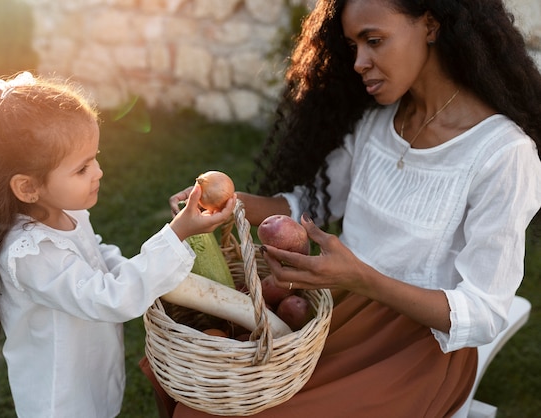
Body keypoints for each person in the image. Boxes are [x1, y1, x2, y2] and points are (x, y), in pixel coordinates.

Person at [158, 0, 541, 416]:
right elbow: (311, 203)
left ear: (430, 26)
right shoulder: (377, 122)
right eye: (353, 46)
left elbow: (483, 312)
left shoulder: (503, 154)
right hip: (334, 304)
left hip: (415, 347)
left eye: (374, 41)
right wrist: (236, 204)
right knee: (210, 393)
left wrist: (363, 278)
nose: (359, 62)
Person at [0, 71, 235, 418]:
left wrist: (147, 266)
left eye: (94, 157)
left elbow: (96, 255)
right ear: (27, 188)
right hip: (60, 397)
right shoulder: (31, 254)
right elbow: (108, 297)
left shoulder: (65, 211)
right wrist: (175, 236)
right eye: (82, 168)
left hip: (88, 366)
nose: (98, 172)